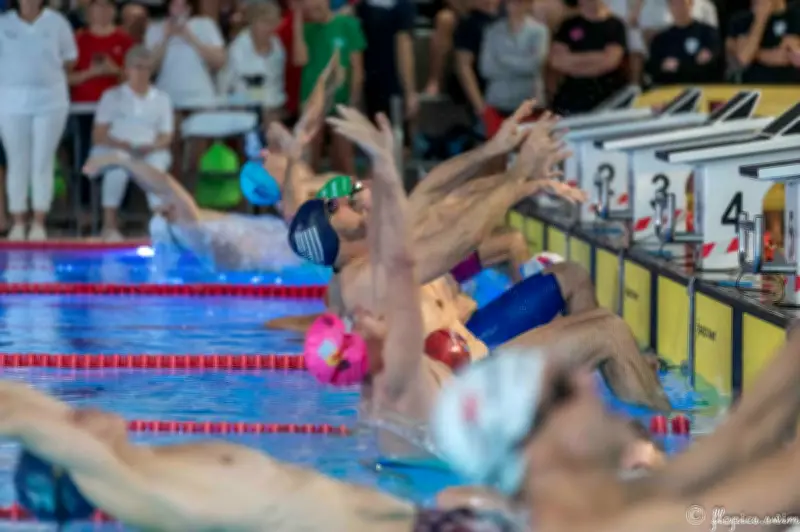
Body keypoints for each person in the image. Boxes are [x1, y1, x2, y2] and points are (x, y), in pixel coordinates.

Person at [288, 105, 671, 412]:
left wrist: (494, 151)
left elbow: (431, 192)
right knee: (610, 331)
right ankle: (660, 435)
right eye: (335, 206)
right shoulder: (362, 280)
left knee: (573, 282)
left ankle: (591, 393)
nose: (345, 197)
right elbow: (461, 239)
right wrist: (516, 178)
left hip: (471, 350)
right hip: (467, 389)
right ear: (331, 237)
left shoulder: (373, 255)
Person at [433, 322, 800, 532]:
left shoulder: (603, 503)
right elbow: (778, 495)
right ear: (534, 450)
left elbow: (745, 435)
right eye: (563, 387)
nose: (588, 379)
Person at [0, 0, 77, 241]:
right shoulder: (4, 23)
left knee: (43, 160)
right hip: (12, 101)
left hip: (50, 101)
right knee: (17, 161)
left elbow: (70, 58)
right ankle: (18, 221)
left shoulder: (57, 23)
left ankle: (39, 222)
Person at [89, 46, 174, 242]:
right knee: (117, 167)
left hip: (149, 150)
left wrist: (151, 147)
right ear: (127, 69)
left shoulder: (162, 99)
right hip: (115, 148)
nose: (142, 73)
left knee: (155, 167)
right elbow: (99, 134)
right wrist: (123, 145)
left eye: (146, 68)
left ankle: (160, 223)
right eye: (137, 67)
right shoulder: (111, 96)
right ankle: (109, 226)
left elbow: (166, 136)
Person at [69, 0, 135, 232]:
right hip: (83, 109)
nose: (102, 12)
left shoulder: (124, 40)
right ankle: (86, 210)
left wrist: (113, 70)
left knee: (123, 156)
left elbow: (136, 78)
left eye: (107, 7)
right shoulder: (78, 40)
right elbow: (66, 78)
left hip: (118, 113)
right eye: (97, 7)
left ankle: (118, 211)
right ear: (89, 12)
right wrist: (93, 72)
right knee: (83, 159)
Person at [296, 0, 366, 175]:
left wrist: (353, 100)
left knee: (344, 160)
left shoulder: (348, 24)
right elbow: (299, 59)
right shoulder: (306, 29)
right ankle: (310, 201)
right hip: (312, 101)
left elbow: (357, 69)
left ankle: (354, 200)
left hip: (341, 101)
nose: (312, 7)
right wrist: (297, 19)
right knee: (310, 162)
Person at [478, 0, 550, 137]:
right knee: (496, 153)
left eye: (519, 2)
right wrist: (520, 64)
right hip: (497, 102)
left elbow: (533, 66)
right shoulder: (492, 31)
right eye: (510, 2)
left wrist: (502, 60)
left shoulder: (540, 31)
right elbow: (486, 69)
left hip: (529, 103)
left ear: (529, 4)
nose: (514, 5)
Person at [549, 0, 628, 115]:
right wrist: (598, 57)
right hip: (572, 97)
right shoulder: (567, 25)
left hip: (608, 96)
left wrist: (573, 61)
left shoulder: (616, 25)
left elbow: (610, 61)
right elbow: (557, 61)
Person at [219, 1, 287, 131]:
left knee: (272, 114)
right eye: (265, 22)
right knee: (259, 106)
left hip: (270, 98)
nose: (269, 28)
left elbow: (277, 82)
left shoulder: (277, 46)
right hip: (237, 97)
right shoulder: (238, 46)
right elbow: (229, 83)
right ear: (253, 22)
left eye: (272, 23)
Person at [356, 0, 418, 124]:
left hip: (375, 83)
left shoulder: (361, 8)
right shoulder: (402, 8)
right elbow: (404, 49)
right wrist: (410, 91)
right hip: (388, 85)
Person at [646, 0, 721, 86]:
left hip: (704, 88)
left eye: (682, 3)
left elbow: (717, 59)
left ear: (691, 4)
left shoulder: (708, 33)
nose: (679, 8)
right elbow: (652, 68)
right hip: (671, 90)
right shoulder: (661, 39)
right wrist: (662, 66)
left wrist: (710, 55)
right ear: (669, 7)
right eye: (674, 4)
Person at [726, 0, 800, 84]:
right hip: (754, 88)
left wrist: (754, 53)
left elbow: (790, 53)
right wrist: (760, 18)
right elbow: (743, 58)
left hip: (791, 88)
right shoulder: (742, 20)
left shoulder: (795, 16)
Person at [451, 0, 500, 122]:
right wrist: (482, 109)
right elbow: (463, 67)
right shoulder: (470, 24)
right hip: (481, 94)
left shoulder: (508, 21)